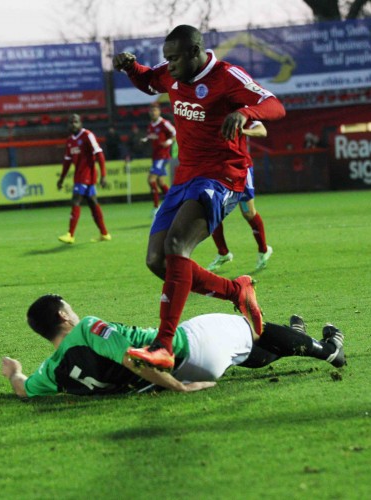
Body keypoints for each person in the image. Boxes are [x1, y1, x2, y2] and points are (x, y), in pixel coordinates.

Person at [113, 25, 285, 370]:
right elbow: (150, 82)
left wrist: (244, 112)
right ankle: (237, 291)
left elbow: (274, 105)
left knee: (177, 246)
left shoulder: (227, 76)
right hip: (184, 178)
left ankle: (164, 344)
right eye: (166, 59)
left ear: (195, 52)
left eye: (175, 57)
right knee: (156, 261)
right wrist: (132, 68)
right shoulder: (173, 75)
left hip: (222, 177)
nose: (169, 65)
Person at [0, 294, 346, 398]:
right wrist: (180, 386)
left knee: (241, 351)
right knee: (252, 326)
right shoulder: (88, 328)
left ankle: (294, 336)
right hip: (186, 348)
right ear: (63, 315)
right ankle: (328, 349)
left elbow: (23, 389)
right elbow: (133, 359)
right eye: (69, 307)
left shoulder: (50, 370)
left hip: (176, 371)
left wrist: (15, 371)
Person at [207, 121, 273, 271]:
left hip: (241, 168)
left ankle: (263, 250)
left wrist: (242, 131)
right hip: (219, 169)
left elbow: (262, 131)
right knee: (212, 211)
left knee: (248, 212)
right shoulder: (211, 112)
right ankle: (223, 253)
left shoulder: (241, 113)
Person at [56, 113, 111, 244]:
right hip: (79, 176)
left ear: (81, 123)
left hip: (87, 175)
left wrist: (103, 175)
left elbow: (99, 154)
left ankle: (70, 234)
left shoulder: (87, 135)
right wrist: (61, 179)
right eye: (70, 122)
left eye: (75, 122)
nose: (72, 124)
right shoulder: (70, 141)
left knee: (76, 200)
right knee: (92, 203)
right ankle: (104, 233)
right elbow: (67, 162)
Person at [143, 103, 176, 214]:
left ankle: (156, 207)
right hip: (156, 156)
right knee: (160, 181)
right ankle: (174, 203)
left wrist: (169, 141)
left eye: (155, 110)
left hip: (163, 156)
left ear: (159, 112)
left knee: (151, 179)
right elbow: (154, 138)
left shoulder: (164, 123)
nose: (153, 112)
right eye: (151, 110)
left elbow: (175, 132)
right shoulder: (151, 125)